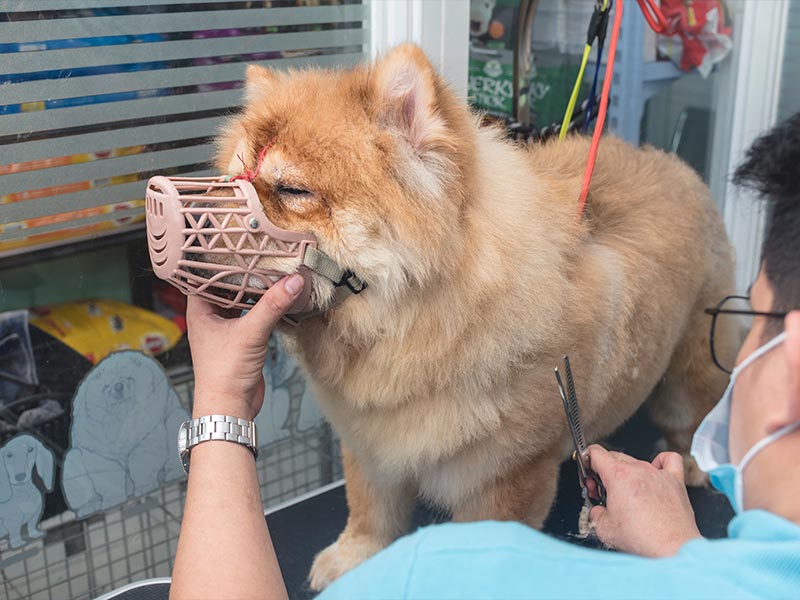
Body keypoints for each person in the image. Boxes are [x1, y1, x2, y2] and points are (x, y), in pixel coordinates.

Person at [171, 115, 800, 599]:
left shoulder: (446, 577)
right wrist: (680, 548)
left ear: (790, 365)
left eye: (755, 320)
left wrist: (220, 400)